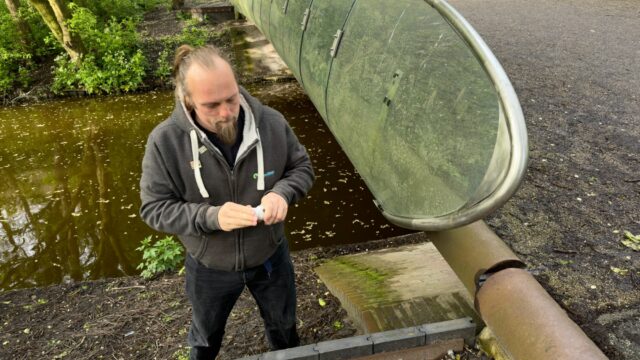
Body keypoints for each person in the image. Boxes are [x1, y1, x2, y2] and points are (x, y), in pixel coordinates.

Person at [139, 44, 314, 359]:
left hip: (271, 255)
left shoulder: (272, 123)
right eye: (212, 105)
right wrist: (211, 217)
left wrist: (282, 192)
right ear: (188, 100)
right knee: (206, 337)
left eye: (232, 99)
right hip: (209, 264)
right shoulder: (165, 142)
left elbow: (301, 168)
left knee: (284, 326)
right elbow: (154, 209)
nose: (226, 112)